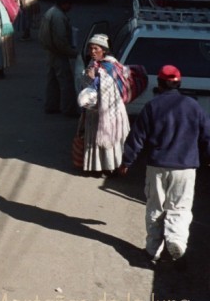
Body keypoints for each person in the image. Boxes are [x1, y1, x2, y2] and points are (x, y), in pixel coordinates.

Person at [119, 65, 210, 269]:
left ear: (159, 84)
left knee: (155, 207)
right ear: (179, 84)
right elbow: (207, 136)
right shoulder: (193, 106)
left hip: (157, 166)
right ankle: (176, 240)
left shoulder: (152, 106)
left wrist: (126, 161)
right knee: (180, 206)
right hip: (186, 167)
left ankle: (153, 250)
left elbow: (137, 137)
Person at [77, 33, 130, 174]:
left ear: (104, 50)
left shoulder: (111, 66)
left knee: (109, 140)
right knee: (95, 141)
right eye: (90, 49)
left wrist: (95, 79)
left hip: (110, 113)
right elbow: (85, 84)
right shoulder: (93, 64)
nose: (92, 52)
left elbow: (109, 88)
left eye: (96, 49)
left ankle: (111, 168)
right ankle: (97, 167)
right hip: (95, 113)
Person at [40, 0, 79, 116]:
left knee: (52, 80)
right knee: (66, 81)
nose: (71, 7)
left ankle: (51, 105)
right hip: (58, 53)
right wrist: (72, 53)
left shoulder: (51, 12)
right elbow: (60, 40)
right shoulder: (58, 17)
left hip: (51, 51)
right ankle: (69, 109)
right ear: (64, 4)